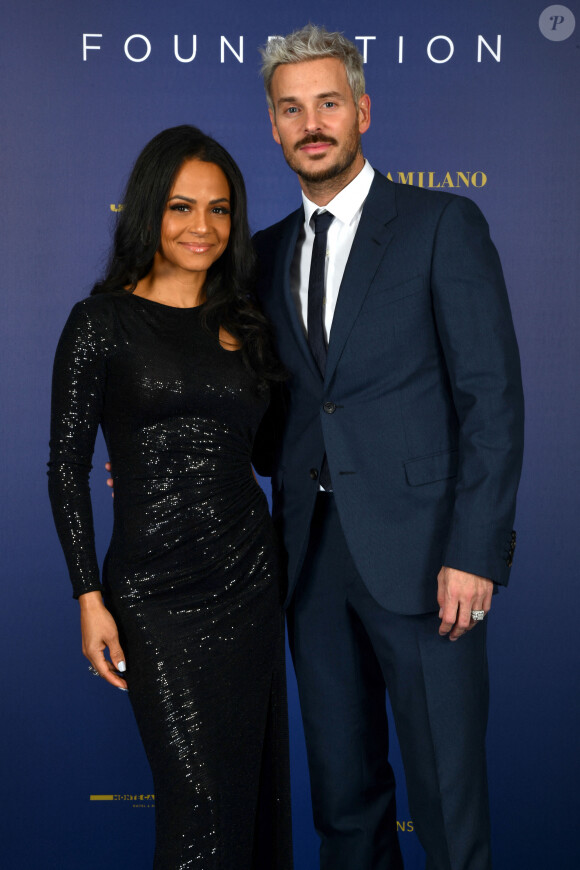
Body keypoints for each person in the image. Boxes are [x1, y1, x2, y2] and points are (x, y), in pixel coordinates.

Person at [251, 25, 524, 870]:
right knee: (343, 801)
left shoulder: (443, 223)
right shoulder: (259, 255)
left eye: (328, 102)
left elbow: (492, 399)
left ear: (362, 109)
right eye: (291, 109)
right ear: (273, 128)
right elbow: (268, 420)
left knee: (448, 802)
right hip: (310, 563)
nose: (312, 123)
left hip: (428, 560)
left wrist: (474, 552)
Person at [48, 125, 292, 870]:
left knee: (248, 800)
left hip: (248, 578)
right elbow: (64, 467)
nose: (202, 228)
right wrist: (90, 596)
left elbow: (268, 450)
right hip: (152, 590)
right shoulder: (101, 323)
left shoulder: (248, 323)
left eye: (220, 211)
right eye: (183, 207)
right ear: (150, 210)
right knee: (196, 812)